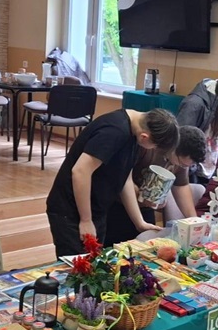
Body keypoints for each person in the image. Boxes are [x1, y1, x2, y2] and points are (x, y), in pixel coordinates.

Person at [46, 108, 179, 256]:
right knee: (77, 263)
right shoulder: (114, 131)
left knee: (95, 262)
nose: (152, 149)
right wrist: (86, 220)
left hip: (96, 208)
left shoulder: (135, 132)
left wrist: (139, 222)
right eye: (154, 146)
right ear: (145, 137)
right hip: (71, 209)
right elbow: (80, 172)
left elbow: (125, 178)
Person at [103, 125, 208, 245]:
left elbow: (181, 186)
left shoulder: (182, 161)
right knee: (115, 247)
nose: (181, 166)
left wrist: (194, 221)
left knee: (144, 246)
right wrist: (140, 197)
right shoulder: (148, 147)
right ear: (174, 147)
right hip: (117, 205)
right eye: (182, 163)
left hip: (146, 209)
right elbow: (125, 180)